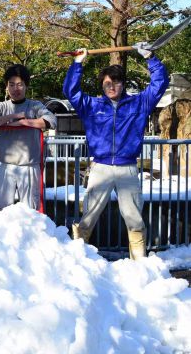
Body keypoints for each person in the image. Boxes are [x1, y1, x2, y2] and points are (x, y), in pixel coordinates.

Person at [63, 44, 169, 260]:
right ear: (102, 85)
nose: (112, 86)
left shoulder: (139, 103)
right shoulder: (91, 105)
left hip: (127, 168)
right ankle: (77, 259)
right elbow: (70, 91)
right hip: (100, 167)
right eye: (107, 83)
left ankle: (139, 262)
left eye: (116, 82)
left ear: (123, 84)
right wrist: (77, 63)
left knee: (134, 218)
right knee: (88, 216)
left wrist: (150, 57)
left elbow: (160, 84)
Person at [0, 64, 57, 210]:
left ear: (26, 86)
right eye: (12, 84)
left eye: (20, 84)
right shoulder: (1, 106)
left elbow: (51, 121)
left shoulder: (34, 106)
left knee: (31, 210)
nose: (16, 89)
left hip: (29, 166)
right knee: (0, 210)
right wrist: (13, 117)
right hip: (7, 166)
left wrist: (24, 122)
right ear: (6, 86)